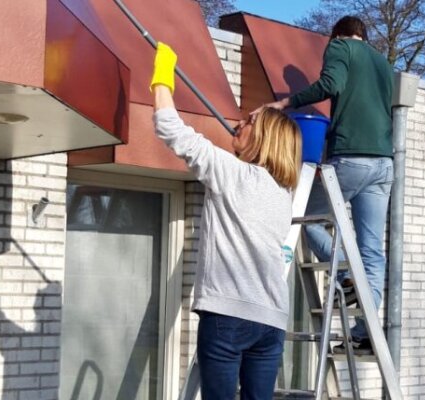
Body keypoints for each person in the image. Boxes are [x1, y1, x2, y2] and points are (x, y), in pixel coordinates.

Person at [150, 42, 302, 399]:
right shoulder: (283, 195)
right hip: (271, 318)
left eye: (248, 121)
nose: (239, 123)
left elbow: (170, 127)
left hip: (228, 315)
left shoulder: (234, 174)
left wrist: (162, 75)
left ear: (264, 136)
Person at [255, 15, 394, 355]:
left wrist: (285, 103)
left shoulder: (340, 48)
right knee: (373, 251)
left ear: (337, 36)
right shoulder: (383, 63)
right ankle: (366, 333)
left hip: (350, 156)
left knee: (306, 215)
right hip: (384, 163)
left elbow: (330, 84)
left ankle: (347, 278)